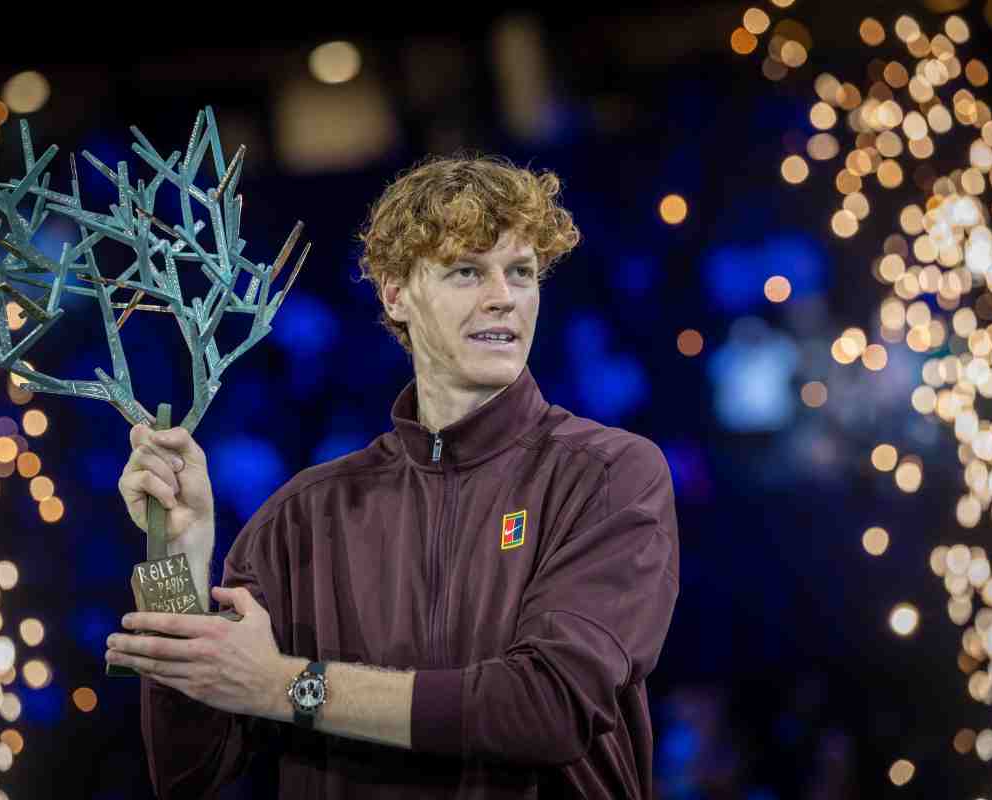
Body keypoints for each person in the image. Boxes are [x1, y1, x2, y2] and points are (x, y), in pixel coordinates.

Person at [105, 154, 681, 799]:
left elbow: (546, 709)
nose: (504, 297)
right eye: (467, 271)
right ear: (396, 293)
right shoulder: (306, 512)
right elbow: (190, 774)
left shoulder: (607, 474)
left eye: (521, 272)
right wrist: (179, 560)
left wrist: (287, 686)